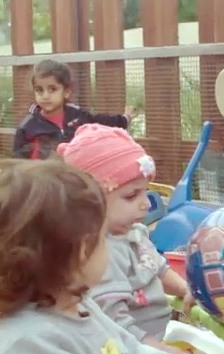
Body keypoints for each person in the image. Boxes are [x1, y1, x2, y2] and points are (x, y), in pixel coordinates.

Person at [0, 158, 170, 354]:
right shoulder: (29, 342)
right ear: (81, 251)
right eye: (102, 238)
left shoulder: (79, 303)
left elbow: (133, 348)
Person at [57, 124, 193, 354]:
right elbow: (115, 325)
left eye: (145, 191)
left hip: (161, 333)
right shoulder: (98, 254)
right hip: (132, 343)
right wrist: (156, 348)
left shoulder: (134, 231)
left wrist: (184, 289)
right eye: (131, 196)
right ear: (90, 203)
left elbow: (157, 268)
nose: (146, 204)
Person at [13, 59, 136, 159]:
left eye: (52, 89)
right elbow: (18, 161)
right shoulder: (28, 127)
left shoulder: (77, 116)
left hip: (75, 176)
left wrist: (125, 118)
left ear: (66, 92)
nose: (45, 96)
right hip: (45, 181)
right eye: (39, 90)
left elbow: (101, 122)